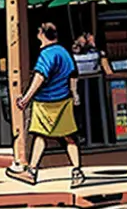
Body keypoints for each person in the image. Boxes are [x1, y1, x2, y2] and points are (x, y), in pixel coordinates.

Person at [8, 22, 85, 188]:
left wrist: (26, 98)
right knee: (69, 136)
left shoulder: (46, 55)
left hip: (45, 102)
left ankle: (31, 171)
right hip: (64, 101)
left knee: (40, 135)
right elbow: (73, 74)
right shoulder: (64, 52)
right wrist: (75, 94)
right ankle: (77, 171)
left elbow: (39, 77)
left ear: (42, 34)